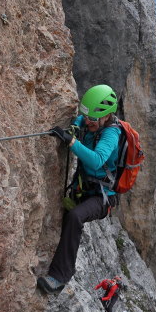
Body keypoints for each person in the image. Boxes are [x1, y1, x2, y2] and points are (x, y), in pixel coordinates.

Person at [37, 85, 121, 294]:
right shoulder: (91, 121)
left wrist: (72, 141)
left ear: (107, 116)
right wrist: (74, 126)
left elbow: (96, 160)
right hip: (84, 188)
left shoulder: (111, 134)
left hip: (103, 198)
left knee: (75, 217)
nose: (89, 121)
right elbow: (81, 120)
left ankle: (59, 277)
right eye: (88, 117)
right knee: (65, 214)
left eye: (94, 118)